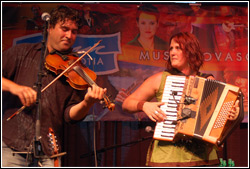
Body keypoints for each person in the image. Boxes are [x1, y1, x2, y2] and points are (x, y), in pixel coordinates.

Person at [2, 5, 106, 167]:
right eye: (64, 29)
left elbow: (70, 115)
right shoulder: (22, 53)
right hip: (12, 145)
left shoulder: (77, 69)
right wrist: (16, 88)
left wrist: (87, 103)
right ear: (50, 28)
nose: (69, 35)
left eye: (74, 31)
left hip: (49, 149)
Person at [122, 32, 241, 167]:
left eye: (178, 48)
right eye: (171, 48)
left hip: (202, 158)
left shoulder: (208, 80)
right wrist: (144, 105)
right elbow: (127, 103)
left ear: (191, 51)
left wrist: (231, 116)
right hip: (168, 157)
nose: (172, 52)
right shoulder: (160, 79)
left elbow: (218, 120)